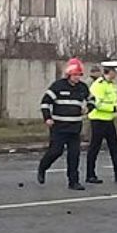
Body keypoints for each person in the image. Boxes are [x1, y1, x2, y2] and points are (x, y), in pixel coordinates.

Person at [37, 58, 91, 191]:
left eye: (79, 75)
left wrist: (88, 108)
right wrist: (47, 118)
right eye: (75, 75)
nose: (77, 77)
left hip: (75, 128)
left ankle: (73, 181)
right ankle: (43, 167)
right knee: (56, 151)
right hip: (59, 127)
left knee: (74, 155)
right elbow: (45, 102)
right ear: (69, 74)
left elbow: (93, 100)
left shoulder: (83, 87)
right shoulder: (58, 86)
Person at [86, 60, 117, 184]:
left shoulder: (112, 85)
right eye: (115, 71)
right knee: (94, 148)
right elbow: (97, 104)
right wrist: (113, 108)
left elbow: (112, 100)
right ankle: (90, 174)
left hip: (108, 119)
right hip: (98, 120)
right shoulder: (98, 85)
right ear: (110, 71)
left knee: (115, 147)